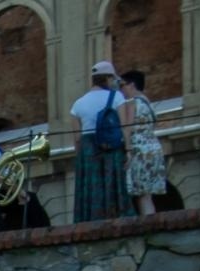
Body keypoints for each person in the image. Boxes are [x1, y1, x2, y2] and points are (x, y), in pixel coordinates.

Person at [69, 60, 134, 223]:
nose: (114, 82)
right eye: (112, 79)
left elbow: (77, 138)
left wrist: (80, 158)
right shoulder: (117, 97)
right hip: (111, 145)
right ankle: (117, 220)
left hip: (87, 147)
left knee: (92, 189)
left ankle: (89, 222)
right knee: (113, 185)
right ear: (107, 78)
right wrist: (128, 150)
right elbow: (125, 125)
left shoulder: (77, 104)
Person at [118, 70, 166, 217]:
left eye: (122, 85)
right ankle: (151, 222)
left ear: (132, 84)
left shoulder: (132, 103)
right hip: (154, 148)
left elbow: (127, 128)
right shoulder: (148, 103)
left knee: (141, 194)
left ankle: (147, 226)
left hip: (139, 150)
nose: (121, 89)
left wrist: (127, 150)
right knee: (148, 194)